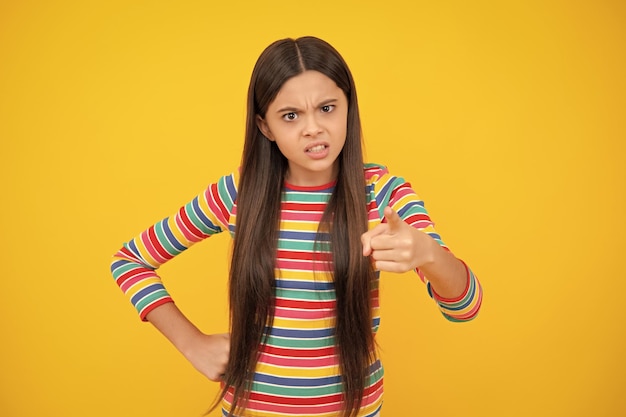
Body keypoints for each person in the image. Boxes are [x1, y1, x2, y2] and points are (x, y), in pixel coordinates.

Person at [110, 36, 483, 417]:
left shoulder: (384, 195)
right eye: (291, 116)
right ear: (265, 126)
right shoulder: (237, 193)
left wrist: (427, 253)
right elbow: (129, 260)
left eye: (326, 108)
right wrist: (192, 344)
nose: (313, 128)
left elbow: (466, 305)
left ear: (349, 108)